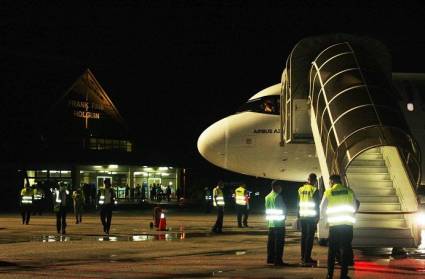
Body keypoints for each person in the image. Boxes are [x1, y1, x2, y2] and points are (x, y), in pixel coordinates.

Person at [320, 175, 358, 279]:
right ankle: (343, 275)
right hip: (347, 226)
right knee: (345, 250)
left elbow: (322, 209)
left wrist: (326, 220)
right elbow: (354, 207)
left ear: (332, 181)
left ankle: (329, 275)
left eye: (329, 182)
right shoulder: (349, 192)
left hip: (334, 226)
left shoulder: (328, 192)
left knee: (332, 251)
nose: (329, 184)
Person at [298, 173, 320, 266]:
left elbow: (298, 203)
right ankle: (307, 258)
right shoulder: (314, 190)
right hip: (311, 217)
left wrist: (298, 216)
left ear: (308, 179)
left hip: (302, 215)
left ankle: (303, 256)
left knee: (303, 237)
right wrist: (317, 216)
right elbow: (316, 205)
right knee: (309, 238)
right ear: (314, 181)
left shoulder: (300, 189)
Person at [265, 180, 288, 266]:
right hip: (279, 223)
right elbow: (283, 209)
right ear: (276, 187)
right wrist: (285, 216)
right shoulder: (278, 197)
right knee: (279, 243)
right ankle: (278, 260)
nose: (281, 189)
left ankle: (270, 258)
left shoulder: (267, 197)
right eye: (280, 187)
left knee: (271, 243)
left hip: (271, 223)